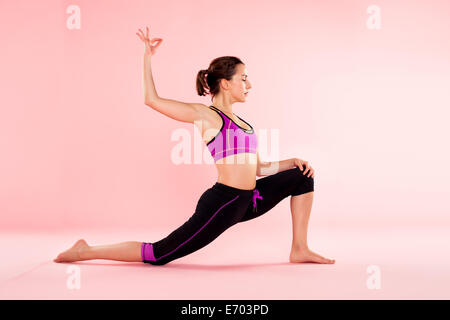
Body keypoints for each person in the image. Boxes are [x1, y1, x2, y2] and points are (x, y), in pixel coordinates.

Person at [53, 26, 335, 265]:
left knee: (302, 176)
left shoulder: (244, 122)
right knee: (158, 254)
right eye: (244, 78)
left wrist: (291, 162)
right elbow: (151, 100)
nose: (249, 83)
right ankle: (86, 250)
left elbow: (259, 167)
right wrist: (147, 57)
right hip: (223, 203)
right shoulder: (206, 115)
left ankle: (299, 248)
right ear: (225, 83)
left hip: (249, 201)